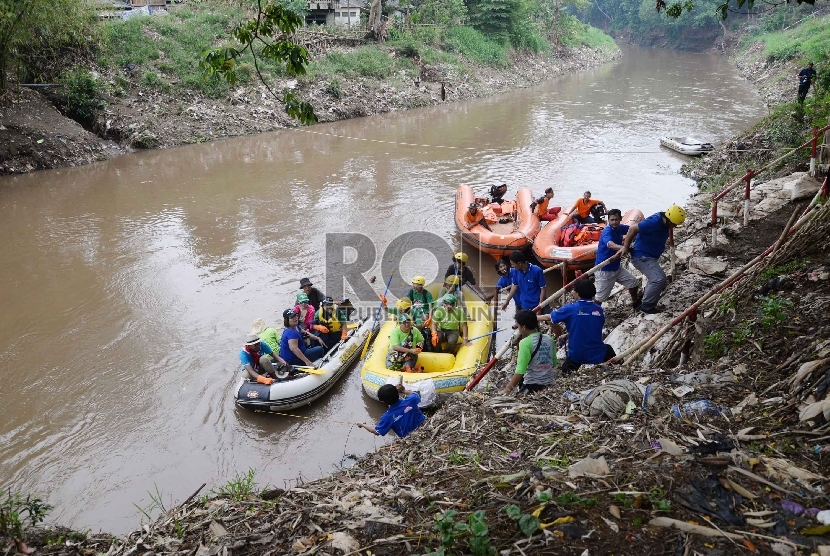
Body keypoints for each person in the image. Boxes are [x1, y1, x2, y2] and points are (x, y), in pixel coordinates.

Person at [620, 204, 686, 314]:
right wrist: (626, 247)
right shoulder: (654, 222)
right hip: (641, 257)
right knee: (658, 279)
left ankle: (648, 298)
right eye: (673, 224)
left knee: (658, 279)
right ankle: (647, 305)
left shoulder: (664, 223)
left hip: (649, 256)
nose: (673, 227)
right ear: (669, 220)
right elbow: (633, 228)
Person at [544, 279, 615, 376]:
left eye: (573, 290)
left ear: (578, 293)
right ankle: (616, 368)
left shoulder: (571, 308)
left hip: (578, 355)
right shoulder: (598, 309)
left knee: (566, 370)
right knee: (609, 349)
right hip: (597, 353)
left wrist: (532, 316)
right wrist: (569, 334)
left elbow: (550, 317)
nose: (572, 292)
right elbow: (590, 327)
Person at [593, 209, 642, 308]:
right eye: (612, 220)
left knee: (633, 283)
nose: (614, 222)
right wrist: (624, 248)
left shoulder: (620, 228)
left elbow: (633, 229)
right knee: (600, 299)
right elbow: (610, 244)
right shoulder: (607, 231)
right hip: (605, 270)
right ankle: (591, 315)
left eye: (616, 219)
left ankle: (636, 303)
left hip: (616, 267)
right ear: (608, 220)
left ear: (620, 219)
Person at [500, 310, 555, 395]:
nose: (518, 329)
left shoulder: (525, 343)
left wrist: (507, 390)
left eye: (518, 326)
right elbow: (554, 363)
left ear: (524, 327)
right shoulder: (549, 339)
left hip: (532, 385)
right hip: (549, 382)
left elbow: (520, 371)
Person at [358, 382, 426, 438]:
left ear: (384, 401)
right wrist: (403, 390)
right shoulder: (411, 400)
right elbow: (416, 395)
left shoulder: (387, 417)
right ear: (397, 393)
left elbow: (376, 431)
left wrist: (363, 425)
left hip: (410, 438)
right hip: (425, 426)